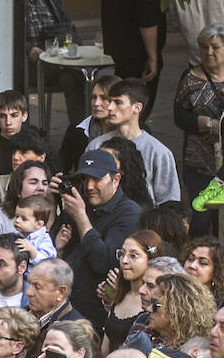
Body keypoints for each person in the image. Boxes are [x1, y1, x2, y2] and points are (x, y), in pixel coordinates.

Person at [50, 149, 144, 325]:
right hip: (61, 303)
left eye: (97, 179)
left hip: (94, 313)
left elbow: (103, 262)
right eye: (85, 179)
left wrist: (81, 217)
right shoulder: (80, 203)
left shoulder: (129, 212)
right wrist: (50, 202)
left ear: (115, 180)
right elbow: (49, 244)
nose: (89, 186)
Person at [89, 77, 181, 206]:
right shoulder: (96, 145)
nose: (110, 107)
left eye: (118, 102)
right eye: (109, 101)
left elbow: (169, 203)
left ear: (137, 108)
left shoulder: (158, 152)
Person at [175, 24, 224, 216]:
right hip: (198, 161)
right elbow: (179, 117)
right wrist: (207, 123)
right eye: (204, 47)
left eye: (215, 47)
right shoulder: (189, 78)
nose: (209, 52)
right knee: (201, 218)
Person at [98, 230, 161, 352]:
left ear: (151, 259)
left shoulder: (153, 301)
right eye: (122, 253)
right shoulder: (120, 293)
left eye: (133, 255)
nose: (124, 260)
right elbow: (107, 339)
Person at [184, 236, 224, 306]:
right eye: (190, 259)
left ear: (216, 271)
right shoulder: (168, 294)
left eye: (203, 263)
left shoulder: (220, 307)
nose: (192, 265)